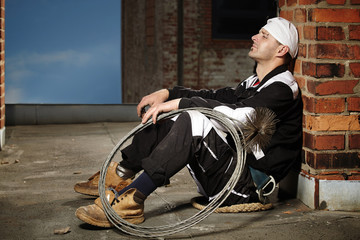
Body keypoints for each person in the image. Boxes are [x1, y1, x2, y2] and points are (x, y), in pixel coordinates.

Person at [74, 17, 303, 228]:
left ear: (282, 49)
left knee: (194, 118)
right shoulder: (254, 83)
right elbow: (216, 97)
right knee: (173, 115)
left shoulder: (283, 88)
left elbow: (241, 116)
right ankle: (121, 175)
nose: (254, 37)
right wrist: (169, 94)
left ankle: (131, 201)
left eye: (264, 35)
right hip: (226, 174)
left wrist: (182, 103)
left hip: (244, 188)